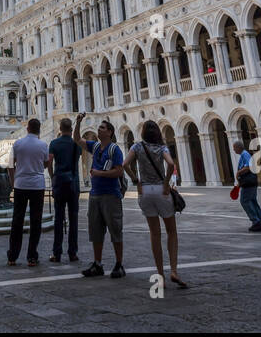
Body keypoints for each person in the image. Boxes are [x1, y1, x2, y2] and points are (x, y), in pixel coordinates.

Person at [127, 121, 187, 288]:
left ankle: (160, 274)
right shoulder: (162, 148)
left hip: (145, 191)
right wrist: (167, 182)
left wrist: (135, 180)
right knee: (171, 232)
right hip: (161, 191)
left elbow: (125, 164)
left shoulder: (137, 147)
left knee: (155, 234)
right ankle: (173, 271)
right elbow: (170, 164)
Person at [74, 114, 125, 278]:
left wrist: (100, 173)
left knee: (115, 230)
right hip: (95, 195)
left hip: (111, 195)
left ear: (109, 132)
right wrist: (78, 122)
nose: (99, 129)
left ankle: (119, 264)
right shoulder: (95, 146)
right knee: (96, 231)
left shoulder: (114, 149)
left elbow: (119, 171)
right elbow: (77, 139)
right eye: (99, 128)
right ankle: (97, 263)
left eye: (102, 128)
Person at [7, 118, 50, 267]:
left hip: (20, 185)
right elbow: (46, 163)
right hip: (37, 185)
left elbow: (10, 166)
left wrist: (13, 182)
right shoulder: (43, 145)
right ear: (39, 130)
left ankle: (12, 256)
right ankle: (32, 256)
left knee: (17, 221)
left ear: (27, 128)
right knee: (35, 221)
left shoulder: (18, 144)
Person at [46, 117, 82, 262]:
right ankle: (72, 253)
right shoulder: (76, 144)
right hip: (74, 184)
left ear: (60, 129)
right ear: (71, 129)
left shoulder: (54, 143)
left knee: (58, 219)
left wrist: (52, 176)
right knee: (74, 220)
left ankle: (57, 253)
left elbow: (49, 161)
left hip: (59, 183)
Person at [233, 139, 261, 231]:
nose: (234, 150)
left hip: (249, 183)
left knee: (245, 201)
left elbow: (249, 167)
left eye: (234, 148)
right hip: (249, 182)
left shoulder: (245, 154)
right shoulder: (244, 154)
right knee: (253, 202)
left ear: (239, 147)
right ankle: (259, 222)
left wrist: (238, 172)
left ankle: (256, 221)